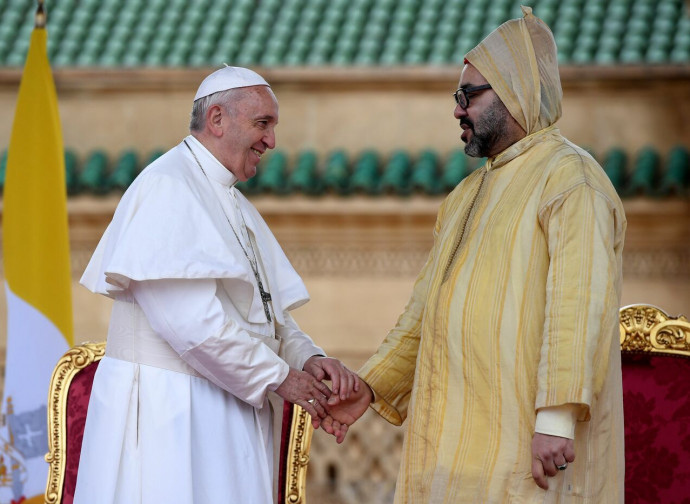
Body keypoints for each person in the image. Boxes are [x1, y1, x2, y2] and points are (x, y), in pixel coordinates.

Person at [323, 7, 626, 503]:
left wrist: (554, 420)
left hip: (529, 454)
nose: (458, 109)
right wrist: (371, 386)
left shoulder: (571, 179)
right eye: (456, 97)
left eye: (469, 95)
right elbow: (423, 314)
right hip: (452, 456)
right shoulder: (464, 197)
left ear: (514, 91)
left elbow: (579, 303)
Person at [73, 66, 357, 503]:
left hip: (225, 410)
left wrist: (308, 360)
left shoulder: (232, 201)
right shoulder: (167, 186)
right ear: (218, 118)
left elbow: (267, 316)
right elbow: (192, 324)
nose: (272, 142)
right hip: (170, 418)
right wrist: (282, 377)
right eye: (262, 124)